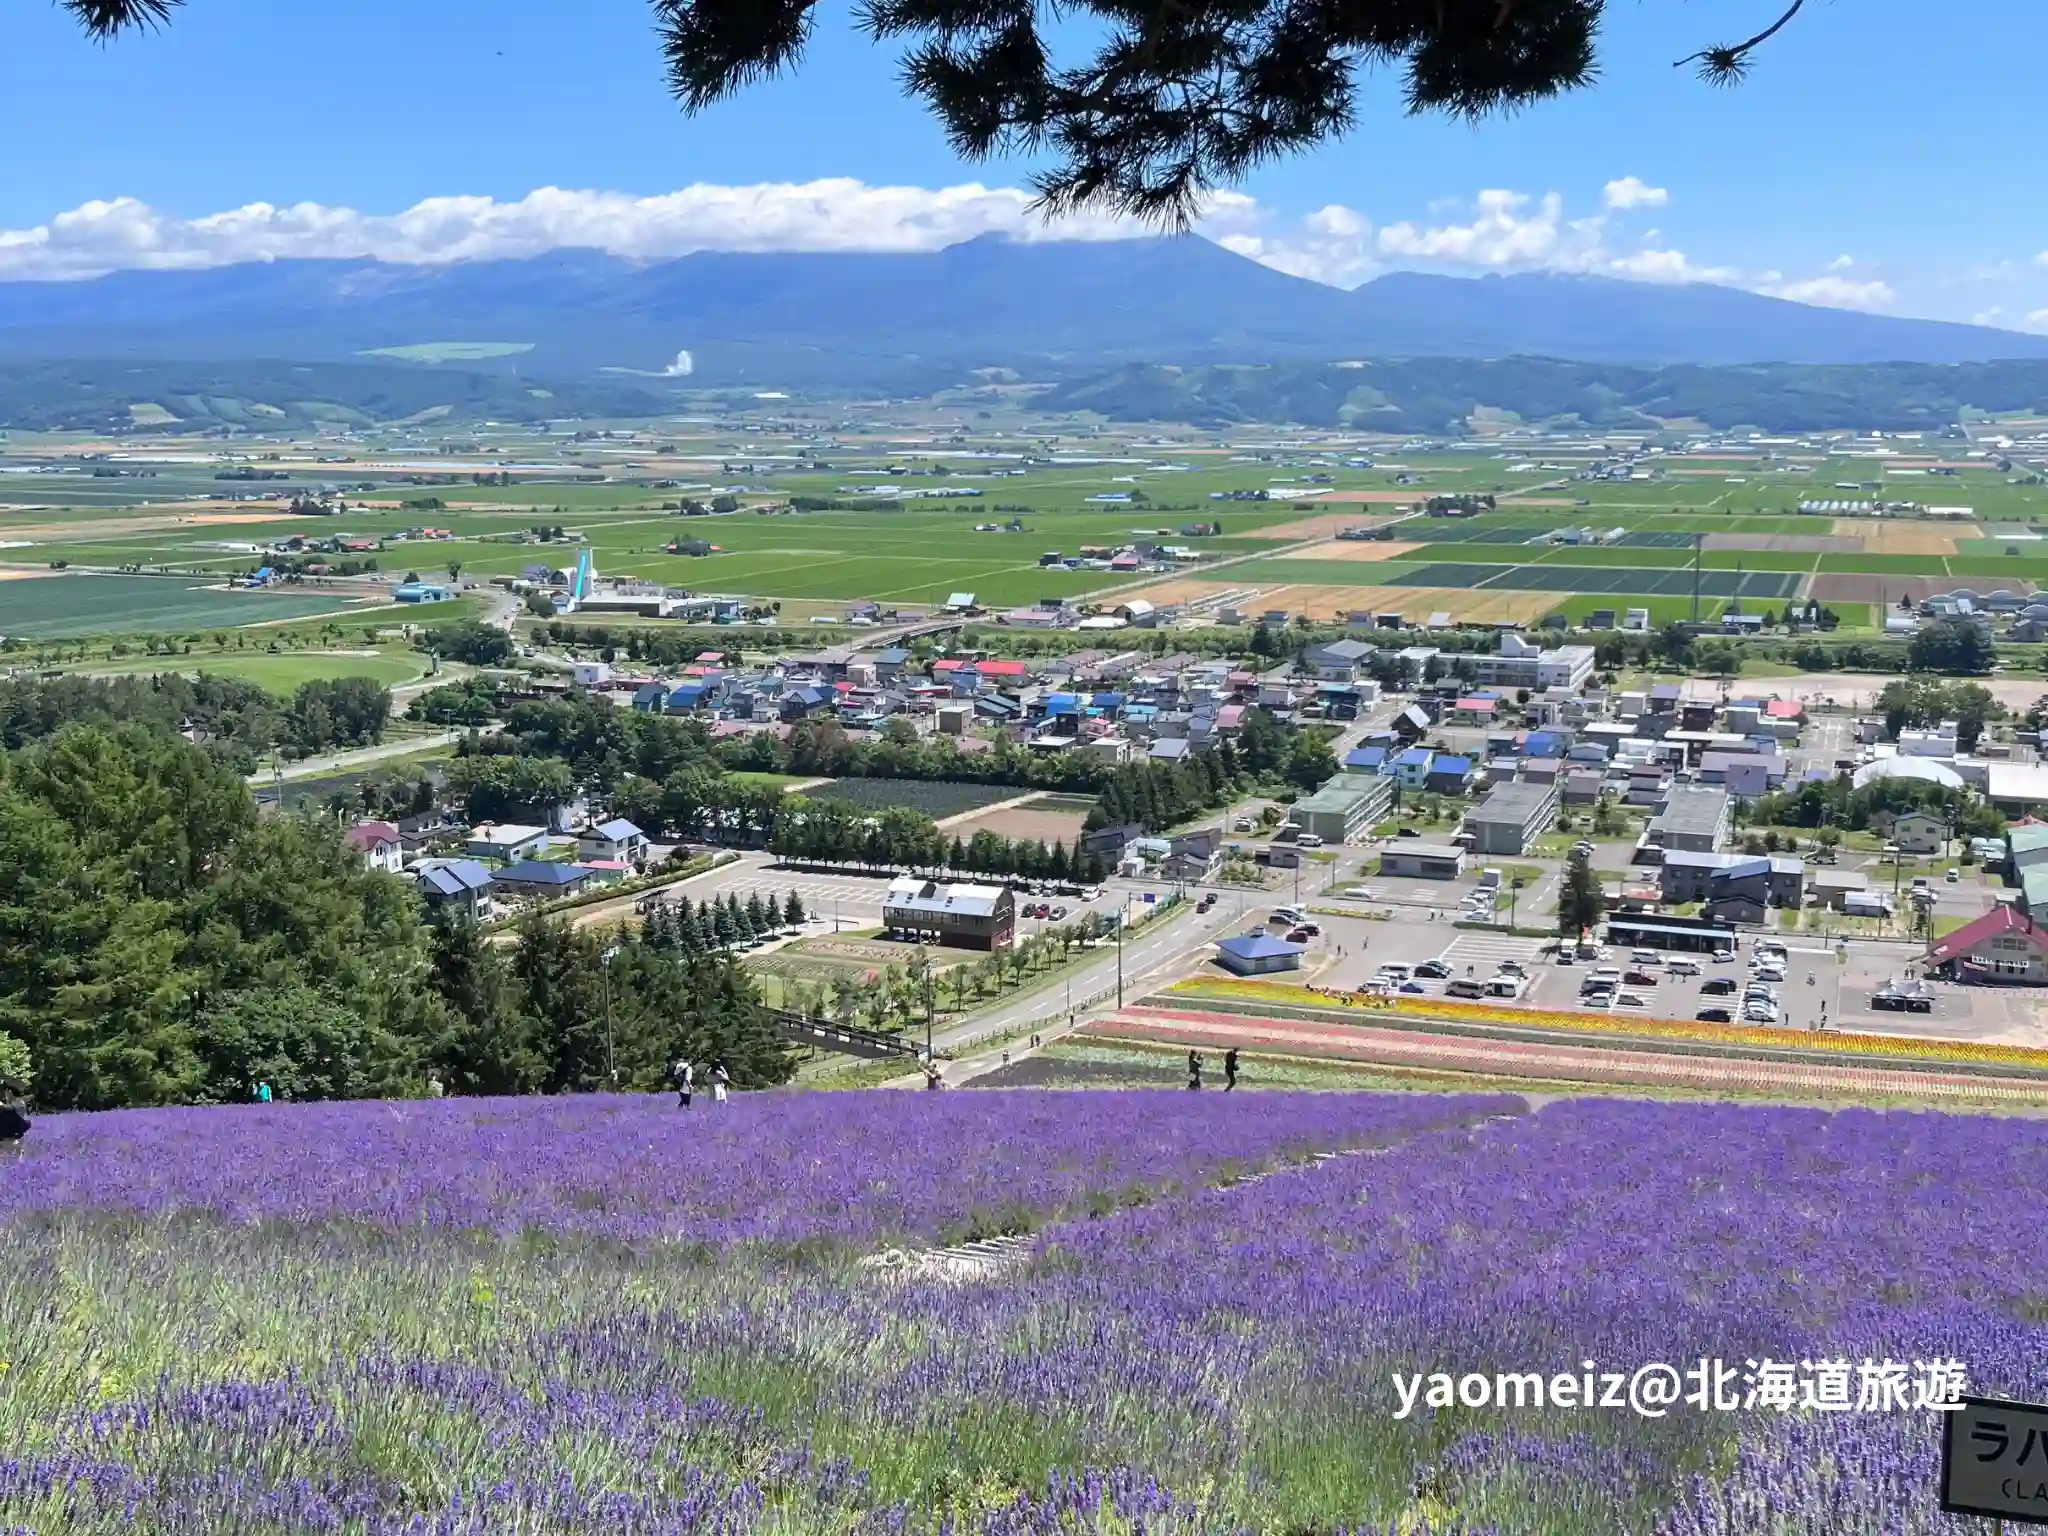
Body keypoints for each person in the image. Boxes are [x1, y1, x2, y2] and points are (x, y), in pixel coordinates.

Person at [0, 1081, 30, 1150]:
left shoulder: (19, 1103)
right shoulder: (17, 1102)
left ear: (9, 1092)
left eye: (5, 1092)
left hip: (11, 1140)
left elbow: (9, 1108)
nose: (5, 1095)